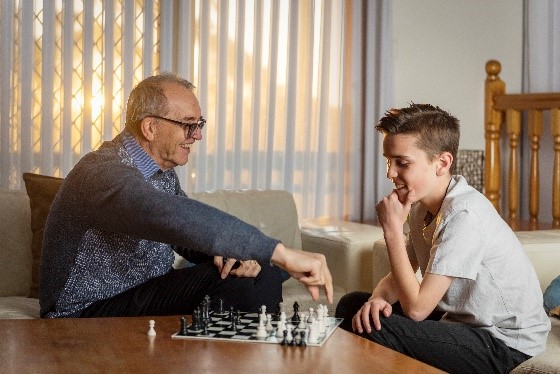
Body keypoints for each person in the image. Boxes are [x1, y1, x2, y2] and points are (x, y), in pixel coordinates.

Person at [40, 73, 333, 318]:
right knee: (236, 283)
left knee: (258, 271)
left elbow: (184, 236)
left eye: (199, 125)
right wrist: (280, 252)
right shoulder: (101, 172)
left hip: (141, 291)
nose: (197, 136)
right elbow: (166, 216)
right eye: (188, 125)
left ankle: (258, 358)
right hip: (85, 309)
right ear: (150, 127)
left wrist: (236, 254)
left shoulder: (161, 173)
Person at [335, 104, 550, 373]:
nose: (390, 173)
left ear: (442, 163)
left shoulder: (465, 215)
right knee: (354, 305)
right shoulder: (421, 206)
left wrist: (391, 230)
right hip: (460, 322)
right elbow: (399, 277)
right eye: (389, 161)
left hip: (503, 343)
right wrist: (379, 298)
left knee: (379, 325)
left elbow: (417, 309)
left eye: (402, 163)